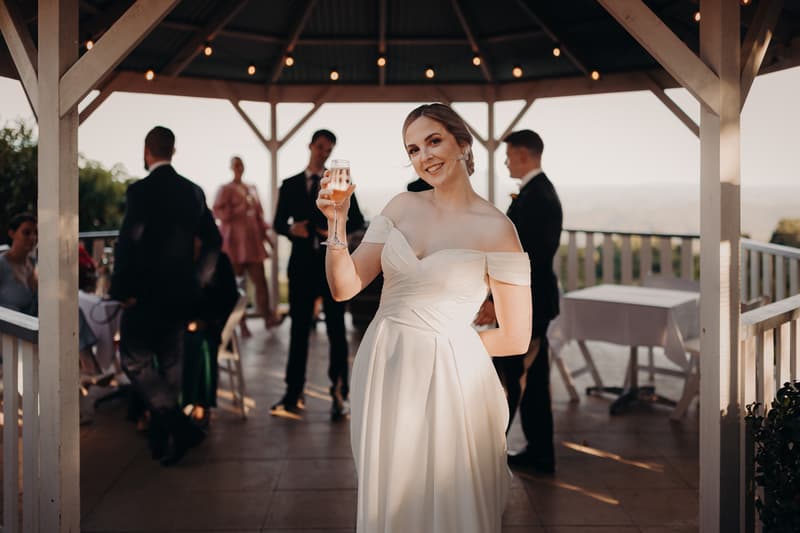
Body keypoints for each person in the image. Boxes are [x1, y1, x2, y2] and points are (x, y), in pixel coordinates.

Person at [318, 103, 532, 532]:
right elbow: (345, 286)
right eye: (413, 149)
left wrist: (446, 344)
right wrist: (336, 222)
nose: (424, 156)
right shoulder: (400, 206)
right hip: (383, 371)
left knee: (444, 501)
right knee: (392, 498)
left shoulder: (498, 228)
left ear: (463, 144)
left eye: (434, 141)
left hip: (451, 380)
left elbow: (516, 338)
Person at [110, 125, 222, 466]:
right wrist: (197, 279)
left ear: (147, 150)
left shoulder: (139, 191)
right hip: (181, 294)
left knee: (133, 360)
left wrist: (120, 290)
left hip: (144, 296)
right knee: (170, 367)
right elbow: (214, 242)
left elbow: (129, 240)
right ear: (173, 150)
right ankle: (164, 442)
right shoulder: (193, 191)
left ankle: (177, 429)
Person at [475, 129, 563, 474]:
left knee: (514, 380)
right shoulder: (536, 192)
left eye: (509, 154)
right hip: (532, 302)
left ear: (524, 154)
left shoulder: (538, 196)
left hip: (529, 304)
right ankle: (540, 452)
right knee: (533, 380)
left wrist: (500, 301)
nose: (507, 160)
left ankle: (492, 453)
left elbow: (530, 259)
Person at [272, 129, 365, 420]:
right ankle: (292, 394)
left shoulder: (339, 183)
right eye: (321, 147)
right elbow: (276, 223)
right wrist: (291, 229)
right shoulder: (289, 185)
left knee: (337, 330)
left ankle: (340, 395)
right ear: (311, 146)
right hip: (300, 267)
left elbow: (359, 220)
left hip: (330, 269)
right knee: (298, 331)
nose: (323, 152)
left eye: (329, 149)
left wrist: (336, 226)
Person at [213, 156, 280, 335]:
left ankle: (267, 317)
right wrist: (238, 208)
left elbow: (259, 216)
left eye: (241, 164)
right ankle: (241, 323)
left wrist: (268, 237)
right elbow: (217, 212)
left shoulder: (252, 188)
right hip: (234, 243)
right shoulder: (225, 189)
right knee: (237, 285)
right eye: (236, 165)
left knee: (261, 282)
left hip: (253, 242)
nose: (239, 168)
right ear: (231, 168)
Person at [182, 246, 239, 429]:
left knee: (200, 343)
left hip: (210, 326)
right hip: (179, 323)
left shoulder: (218, 260)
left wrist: (204, 321)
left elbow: (228, 298)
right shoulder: (176, 257)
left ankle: (201, 403)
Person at [0, 213, 38, 315]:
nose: (33, 237)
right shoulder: (2, 265)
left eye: (36, 233)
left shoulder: (33, 263)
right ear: (12, 233)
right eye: (26, 232)